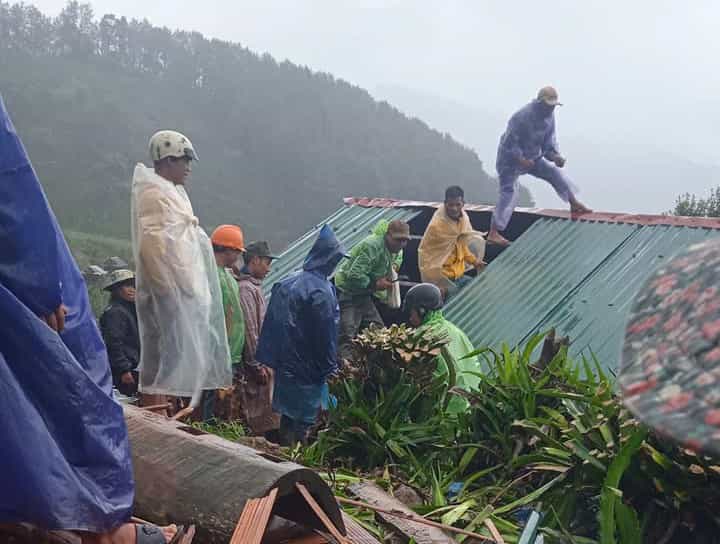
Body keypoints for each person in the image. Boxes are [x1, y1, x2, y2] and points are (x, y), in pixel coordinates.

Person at [0, 96, 189, 543]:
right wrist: (41, 284)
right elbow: (12, 189)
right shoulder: (155, 203)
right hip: (24, 295)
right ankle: (107, 530)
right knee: (75, 399)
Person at [131, 130, 232, 416]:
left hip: (180, 289)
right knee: (161, 358)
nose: (188, 167)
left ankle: (164, 414)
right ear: (167, 160)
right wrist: (168, 291)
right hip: (166, 292)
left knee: (173, 358)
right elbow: (151, 247)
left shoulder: (172, 193)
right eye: (183, 160)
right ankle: (155, 416)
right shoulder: (153, 193)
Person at [256, 225, 347, 446]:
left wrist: (269, 358)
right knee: (307, 421)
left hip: (286, 367)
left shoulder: (287, 282)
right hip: (310, 370)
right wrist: (330, 367)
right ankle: (299, 462)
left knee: (288, 415)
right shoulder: (322, 292)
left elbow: (271, 324)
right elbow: (326, 335)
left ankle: (285, 451)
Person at [488, 86, 591, 246]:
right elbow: (509, 143)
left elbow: (548, 145)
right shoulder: (521, 117)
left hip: (533, 157)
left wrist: (556, 157)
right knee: (509, 192)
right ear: (540, 103)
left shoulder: (550, 118)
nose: (551, 109)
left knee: (553, 172)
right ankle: (494, 232)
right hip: (509, 160)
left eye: (553, 106)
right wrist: (520, 159)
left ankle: (573, 202)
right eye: (548, 105)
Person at [334, 219, 410, 360]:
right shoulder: (372, 246)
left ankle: (374, 365)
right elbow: (354, 275)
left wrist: (391, 272)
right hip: (348, 292)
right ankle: (345, 371)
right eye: (398, 240)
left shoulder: (395, 251)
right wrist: (375, 285)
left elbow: (395, 261)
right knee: (347, 334)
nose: (401, 244)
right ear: (388, 235)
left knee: (378, 332)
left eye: (404, 241)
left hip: (364, 295)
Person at [404, 283, 483, 414]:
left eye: (411, 311)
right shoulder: (454, 329)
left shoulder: (421, 337)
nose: (410, 317)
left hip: (451, 411)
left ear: (422, 310)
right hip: (476, 406)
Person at [235, 241, 281, 436]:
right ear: (255, 260)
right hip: (255, 365)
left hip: (263, 360)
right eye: (266, 263)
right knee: (257, 416)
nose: (269, 269)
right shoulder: (246, 289)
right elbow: (250, 329)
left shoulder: (254, 287)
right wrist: (256, 363)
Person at [418, 186, 487, 299]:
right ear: (445, 203)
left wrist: (475, 262)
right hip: (443, 278)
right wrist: (435, 282)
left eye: (457, 204)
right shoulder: (437, 226)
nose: (454, 208)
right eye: (451, 205)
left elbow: (462, 246)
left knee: (477, 290)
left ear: (463, 203)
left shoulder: (463, 219)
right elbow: (428, 256)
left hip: (459, 275)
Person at [209, 224, 246, 421]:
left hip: (230, 353)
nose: (239, 255)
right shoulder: (210, 274)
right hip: (216, 352)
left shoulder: (228, 276)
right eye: (238, 251)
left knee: (223, 404)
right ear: (228, 249)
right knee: (211, 401)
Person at [100, 269, 140, 397]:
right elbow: (113, 343)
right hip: (125, 370)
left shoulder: (130, 310)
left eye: (134, 285)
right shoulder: (115, 312)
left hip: (134, 366)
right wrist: (123, 370)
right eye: (127, 286)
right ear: (116, 289)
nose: (132, 289)